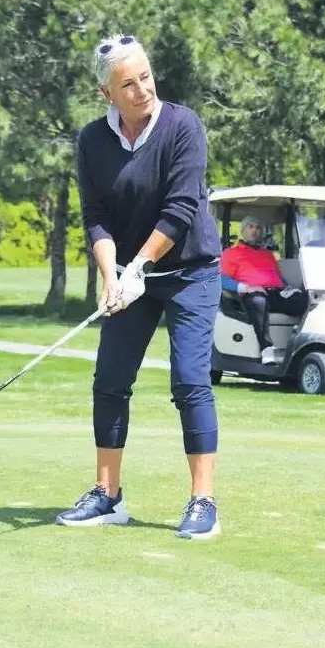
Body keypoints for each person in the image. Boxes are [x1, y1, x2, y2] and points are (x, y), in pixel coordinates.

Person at [55, 34, 223, 540]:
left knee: (189, 380)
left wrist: (138, 267)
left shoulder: (182, 125)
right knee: (109, 378)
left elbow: (181, 208)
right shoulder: (93, 141)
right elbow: (97, 216)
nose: (142, 90)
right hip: (131, 276)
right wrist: (112, 277)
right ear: (107, 93)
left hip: (190, 270)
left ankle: (203, 500)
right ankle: (108, 495)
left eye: (145, 77)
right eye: (127, 84)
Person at [220, 214, 308, 364]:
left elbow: (276, 277)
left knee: (305, 300)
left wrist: (289, 288)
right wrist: (242, 287)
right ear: (243, 231)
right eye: (251, 227)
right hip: (251, 294)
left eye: (258, 227)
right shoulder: (231, 253)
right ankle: (266, 348)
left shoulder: (267, 254)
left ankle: (303, 345)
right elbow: (220, 279)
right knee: (259, 301)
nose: (255, 231)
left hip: (275, 293)